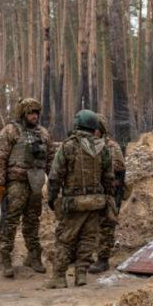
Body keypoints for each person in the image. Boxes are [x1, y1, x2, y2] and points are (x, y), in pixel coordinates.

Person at [46, 110, 114, 289]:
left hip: (73, 203)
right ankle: (81, 275)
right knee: (88, 239)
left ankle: (59, 277)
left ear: (77, 124)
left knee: (65, 239)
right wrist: (108, 199)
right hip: (95, 202)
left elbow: (55, 176)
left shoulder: (68, 146)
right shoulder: (103, 148)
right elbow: (109, 178)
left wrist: (52, 198)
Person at [0, 98, 55, 278]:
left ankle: (34, 256)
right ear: (23, 114)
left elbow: (51, 159)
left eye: (36, 113)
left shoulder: (43, 134)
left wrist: (54, 181)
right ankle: (5, 257)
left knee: (32, 221)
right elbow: (0, 158)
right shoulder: (11, 132)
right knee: (11, 220)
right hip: (16, 183)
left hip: (35, 183)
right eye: (30, 113)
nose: (34, 116)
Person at [89, 114, 126, 274]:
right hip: (92, 193)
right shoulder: (87, 145)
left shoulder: (112, 146)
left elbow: (119, 168)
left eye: (96, 130)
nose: (93, 132)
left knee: (106, 227)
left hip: (108, 193)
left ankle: (103, 259)